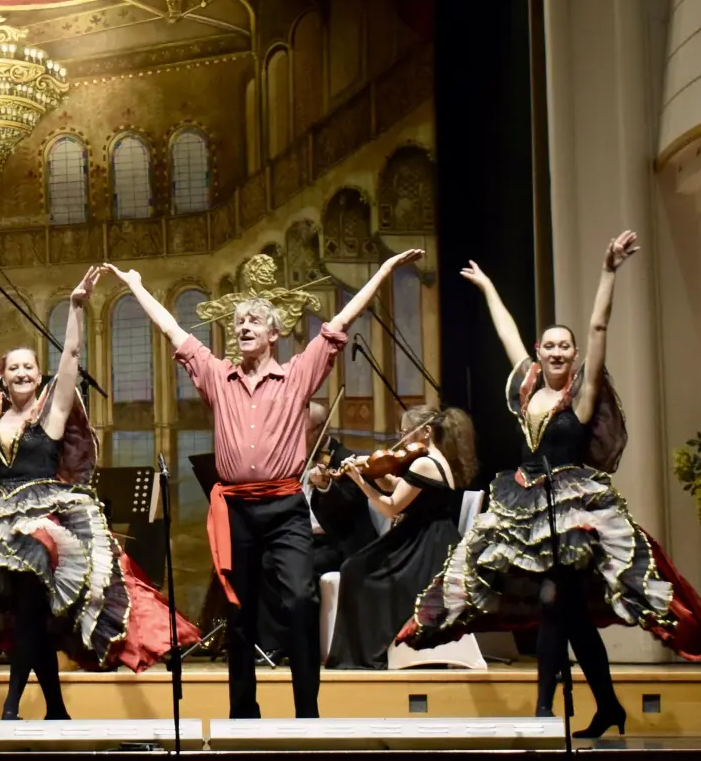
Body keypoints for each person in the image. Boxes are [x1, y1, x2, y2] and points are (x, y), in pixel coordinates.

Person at [398, 233, 701, 737]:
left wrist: (609, 270)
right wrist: (487, 289)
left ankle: (547, 710)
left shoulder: (582, 396)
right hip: (525, 504)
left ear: (572, 355)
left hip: (572, 512)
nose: (556, 352)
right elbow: (507, 333)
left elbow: (598, 325)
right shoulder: (527, 388)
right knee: (568, 617)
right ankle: (604, 706)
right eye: (548, 346)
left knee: (555, 606)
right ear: (538, 352)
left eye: (564, 347)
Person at [107, 249, 422, 719]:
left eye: (255, 321)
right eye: (239, 322)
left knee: (299, 598)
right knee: (239, 613)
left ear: (274, 334)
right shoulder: (217, 376)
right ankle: (242, 712)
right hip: (235, 511)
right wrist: (135, 285)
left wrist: (382, 271)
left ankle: (307, 711)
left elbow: (338, 322)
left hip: (284, 507)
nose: (244, 327)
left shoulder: (296, 376)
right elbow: (171, 330)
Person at [0, 267, 197, 720]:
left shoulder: (51, 414)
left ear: (39, 376)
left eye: (29, 367)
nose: (22, 372)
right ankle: (55, 708)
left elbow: (72, 354)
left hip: (47, 519)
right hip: (0, 516)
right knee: (29, 615)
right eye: (13, 367)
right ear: (4, 376)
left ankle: (12, 705)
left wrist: (77, 307)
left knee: (30, 606)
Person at [323, 405, 474, 669]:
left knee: (357, 571)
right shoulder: (434, 459)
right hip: (427, 537)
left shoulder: (425, 463)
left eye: (407, 432)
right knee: (357, 567)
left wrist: (360, 481)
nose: (402, 438)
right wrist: (376, 474)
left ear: (426, 432)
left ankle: (370, 652)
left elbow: (391, 506)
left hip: (427, 547)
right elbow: (398, 487)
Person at [304, 402, 379, 580]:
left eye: (302, 432)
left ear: (322, 430)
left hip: (335, 542)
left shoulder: (346, 460)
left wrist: (325, 487)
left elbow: (349, 508)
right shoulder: (298, 458)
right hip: (303, 538)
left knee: (301, 569)